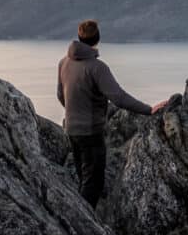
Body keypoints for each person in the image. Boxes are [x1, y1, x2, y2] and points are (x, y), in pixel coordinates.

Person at [57, 19, 175, 208]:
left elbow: (60, 95)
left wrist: (75, 113)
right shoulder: (97, 67)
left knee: (83, 180)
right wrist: (148, 109)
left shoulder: (64, 62)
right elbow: (118, 97)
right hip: (91, 132)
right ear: (97, 38)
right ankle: (83, 230)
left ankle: (77, 223)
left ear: (79, 37)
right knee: (93, 185)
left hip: (71, 130)